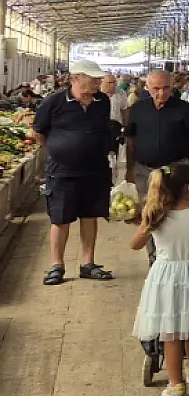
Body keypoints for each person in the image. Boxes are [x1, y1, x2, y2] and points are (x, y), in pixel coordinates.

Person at [129, 162, 189, 396]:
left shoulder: (156, 215)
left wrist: (142, 224)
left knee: (170, 333)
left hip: (166, 277)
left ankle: (176, 384)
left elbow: (135, 244)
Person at [33, 60, 116, 285]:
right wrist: (58, 150)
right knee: (60, 219)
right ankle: (56, 265)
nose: (99, 82)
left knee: (90, 216)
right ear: (76, 78)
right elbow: (39, 132)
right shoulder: (54, 102)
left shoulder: (103, 102)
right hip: (62, 171)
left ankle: (88, 264)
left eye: (99, 78)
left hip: (95, 170)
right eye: (94, 78)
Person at [126, 69, 189, 189]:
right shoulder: (137, 109)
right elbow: (130, 140)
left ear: (172, 86)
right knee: (145, 204)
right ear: (147, 88)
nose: (161, 93)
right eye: (156, 89)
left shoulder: (185, 109)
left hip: (171, 171)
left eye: (166, 88)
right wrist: (129, 169)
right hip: (144, 170)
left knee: (170, 203)